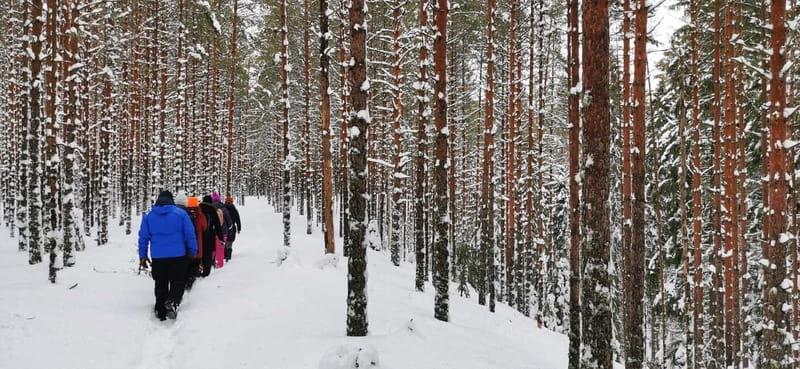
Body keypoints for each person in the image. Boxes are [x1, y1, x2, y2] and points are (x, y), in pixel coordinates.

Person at [138, 190, 198, 321]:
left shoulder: (149, 216)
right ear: (172, 200)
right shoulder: (181, 214)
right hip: (178, 255)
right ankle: (173, 301)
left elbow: (143, 237)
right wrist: (193, 251)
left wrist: (142, 256)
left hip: (158, 257)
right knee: (178, 281)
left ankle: (160, 308)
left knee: (160, 282)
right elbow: (190, 234)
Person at [185, 196, 207, 290]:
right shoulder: (200, 214)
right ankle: (192, 286)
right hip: (198, 247)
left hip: (186, 248)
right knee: (195, 267)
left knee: (187, 267)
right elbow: (204, 227)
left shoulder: (183, 214)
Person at [199, 195, 224, 277]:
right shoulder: (213, 210)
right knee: (208, 255)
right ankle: (206, 274)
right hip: (209, 236)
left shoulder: (199, 209)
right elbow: (217, 226)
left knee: (200, 254)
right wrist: (221, 238)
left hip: (199, 236)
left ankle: (199, 271)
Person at [211, 191, 232, 268]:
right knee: (220, 248)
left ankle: (212, 263)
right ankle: (219, 265)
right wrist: (230, 229)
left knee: (213, 248)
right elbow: (229, 221)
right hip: (223, 232)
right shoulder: (224, 209)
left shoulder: (210, 208)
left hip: (213, 232)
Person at [222, 195, 241, 262]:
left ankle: (224, 254)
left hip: (223, 228)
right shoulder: (234, 209)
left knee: (225, 241)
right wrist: (239, 228)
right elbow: (237, 220)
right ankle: (228, 255)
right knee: (230, 242)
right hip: (232, 228)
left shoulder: (222, 209)